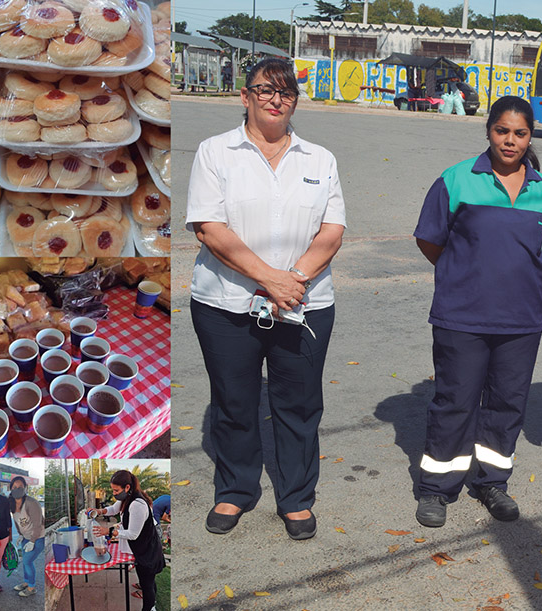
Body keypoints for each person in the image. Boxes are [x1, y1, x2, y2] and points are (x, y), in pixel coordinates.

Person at [186, 57, 346, 540]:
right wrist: (269, 280)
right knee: (234, 401)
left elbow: (332, 231)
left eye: (286, 92)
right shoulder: (216, 152)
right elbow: (210, 229)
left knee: (298, 404)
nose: (276, 100)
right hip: (225, 303)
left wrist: (292, 279)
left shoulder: (319, 159)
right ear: (245, 96)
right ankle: (235, 489)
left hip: (305, 302)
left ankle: (296, 496)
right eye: (265, 90)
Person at [412, 96, 542, 527]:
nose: (510, 141)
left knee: (507, 405)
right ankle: (437, 488)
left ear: (530, 136)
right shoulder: (456, 180)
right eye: (502, 131)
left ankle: (492, 481)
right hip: (462, 317)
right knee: (454, 402)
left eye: (519, 133)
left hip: (521, 321)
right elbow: (430, 241)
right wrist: (463, 276)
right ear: (488, 131)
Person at [87, 471, 165, 611]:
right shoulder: (126, 498)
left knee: (147, 583)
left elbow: (133, 534)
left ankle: (149, 608)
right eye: (113, 490)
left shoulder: (137, 505)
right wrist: (98, 511)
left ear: (127, 487)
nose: (114, 493)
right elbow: (113, 509)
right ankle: (152, 605)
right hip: (141, 548)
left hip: (148, 549)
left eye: (116, 490)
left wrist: (109, 531)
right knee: (147, 580)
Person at [9, 476, 44, 597]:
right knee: (24, 561)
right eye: (14, 487)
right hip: (26, 537)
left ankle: (32, 587)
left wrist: (33, 541)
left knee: (28, 561)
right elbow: (16, 521)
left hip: (38, 538)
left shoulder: (31, 503)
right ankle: (26, 582)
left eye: (20, 487)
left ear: (25, 488)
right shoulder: (12, 504)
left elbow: (38, 524)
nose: (17, 489)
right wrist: (20, 535)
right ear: (10, 488)